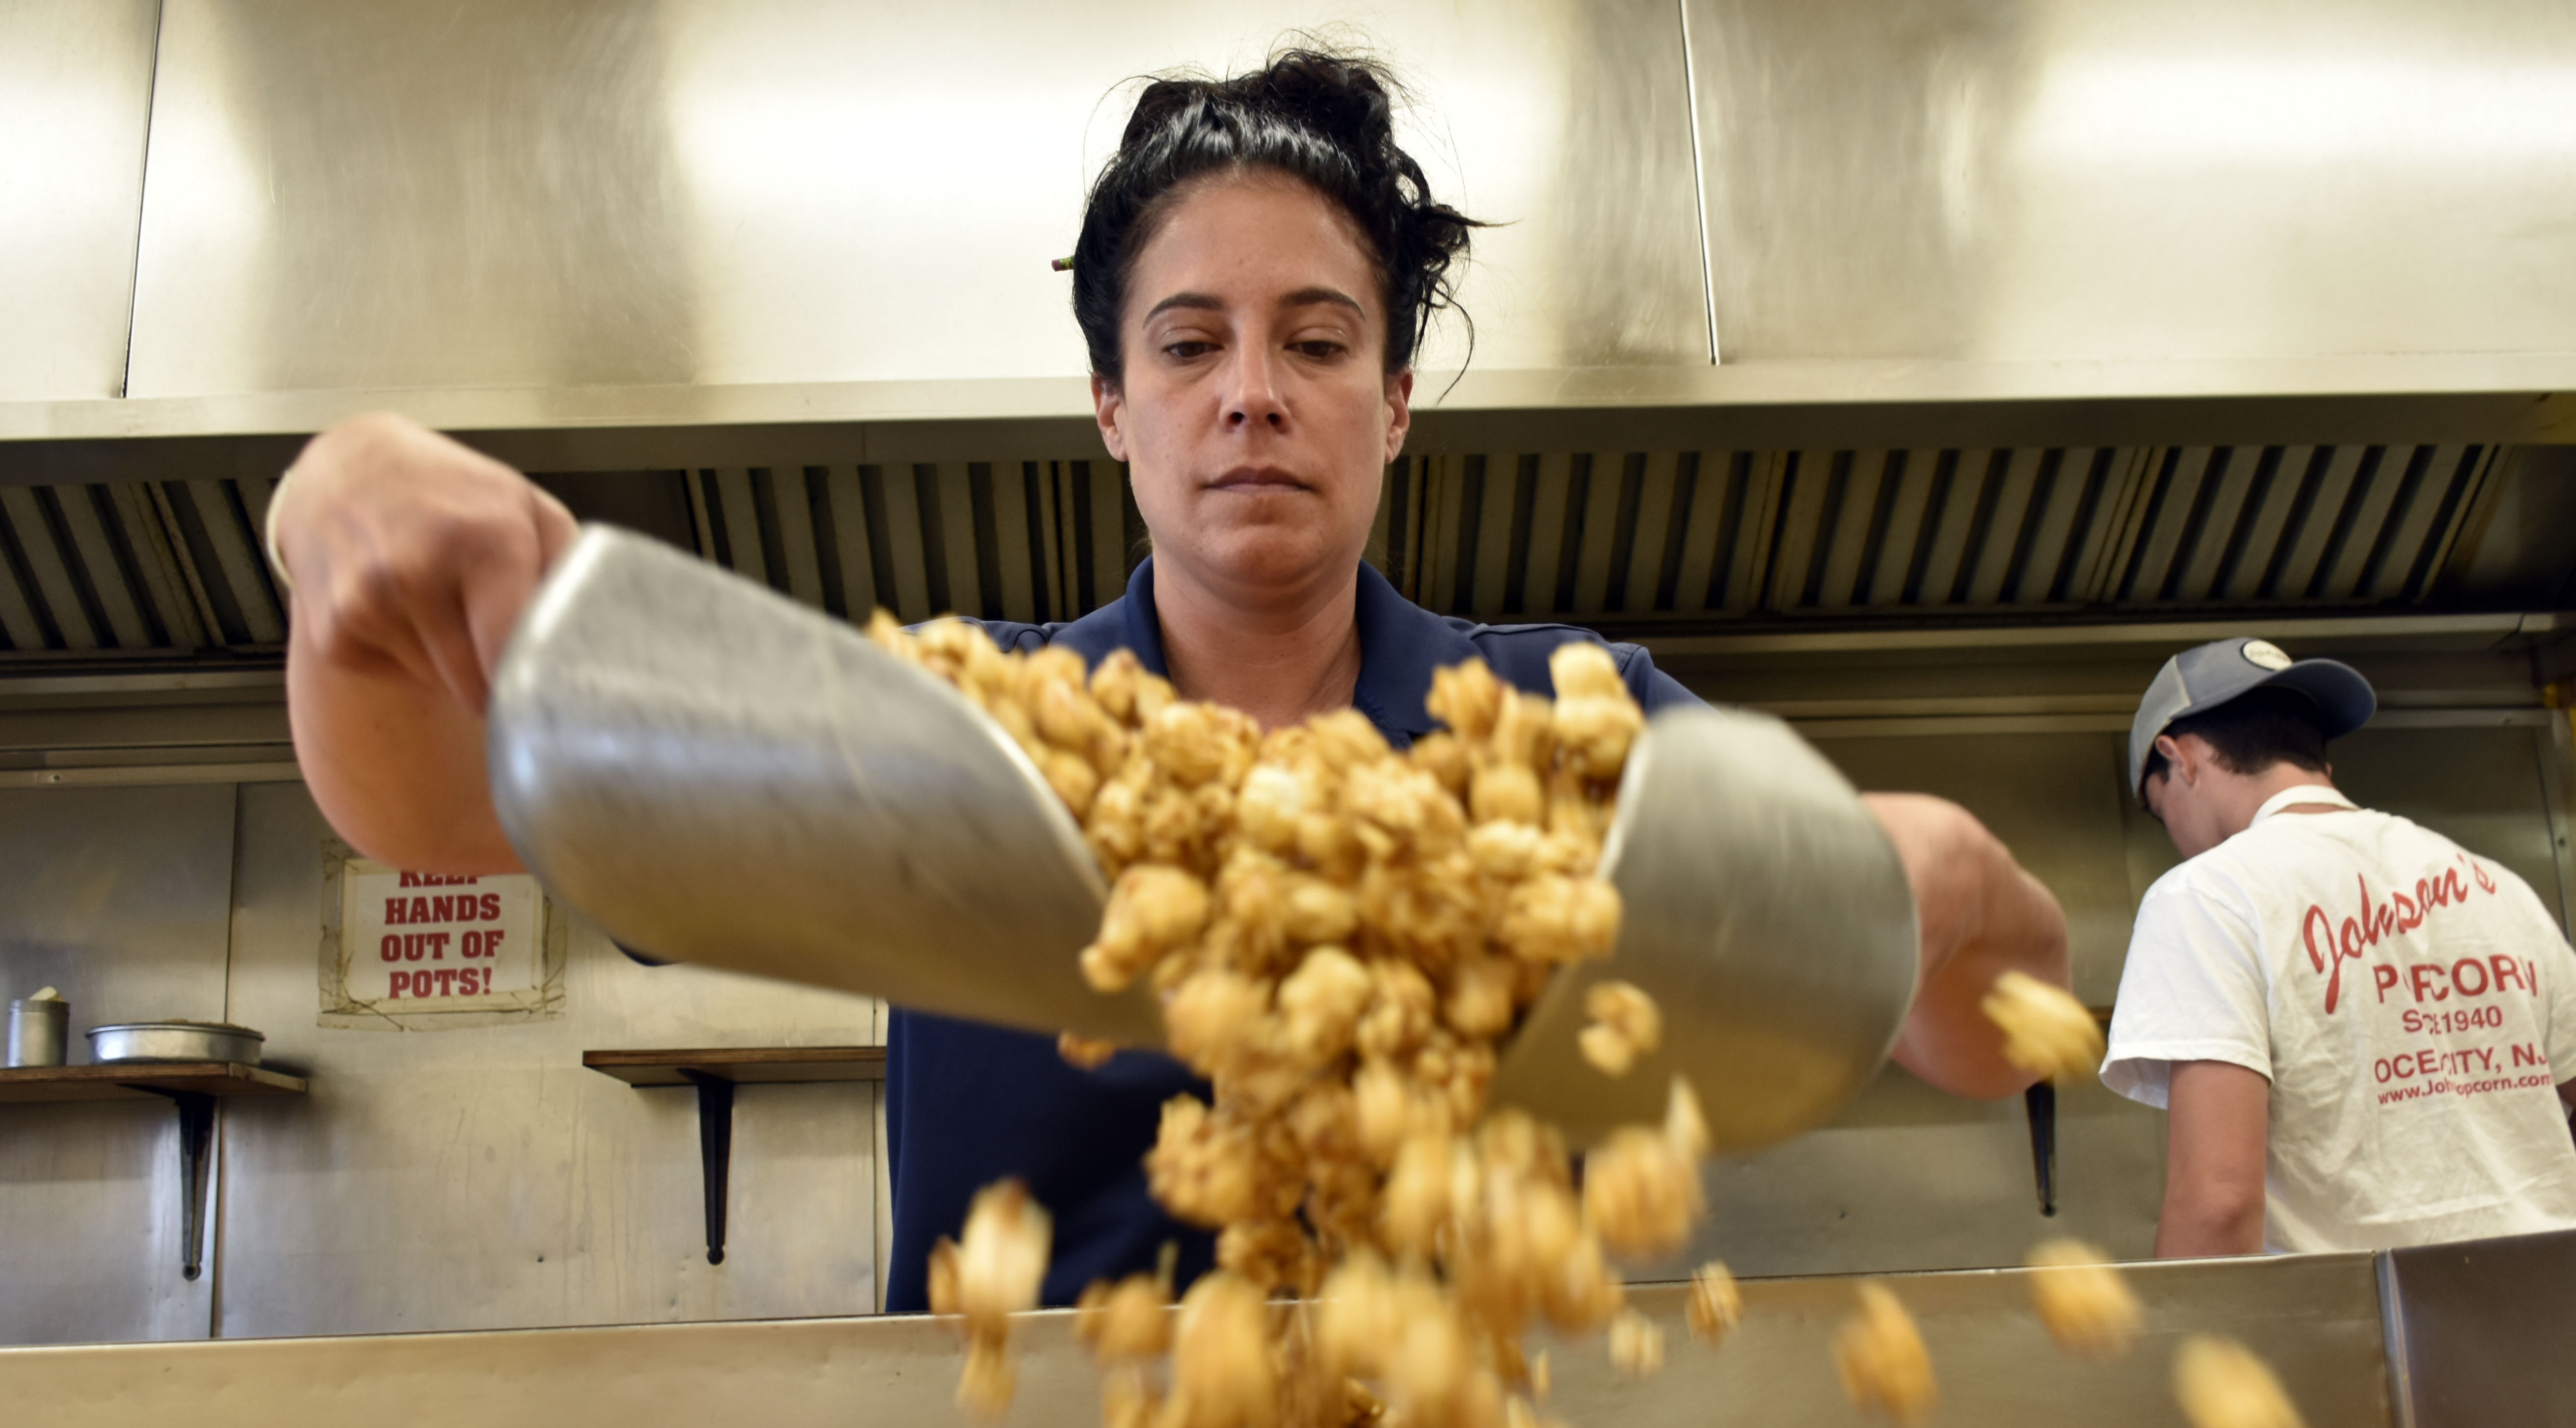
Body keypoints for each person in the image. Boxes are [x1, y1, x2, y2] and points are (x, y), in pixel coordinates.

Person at [270, 51, 2070, 1309]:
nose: (1253, 394)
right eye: (1190, 345)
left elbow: (1985, 1033)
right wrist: (341, 517)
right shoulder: (962, 744)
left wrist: (1946, 881)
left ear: (1395, 403)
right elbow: (438, 808)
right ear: (1114, 409)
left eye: (1318, 340)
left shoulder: (1570, 730)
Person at [2102, 636, 2576, 1257]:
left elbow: (2218, 1201)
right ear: (2320, 764)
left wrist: (2174, 1347)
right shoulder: (2495, 886)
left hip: (2365, 1334)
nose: (2176, 838)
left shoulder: (2207, 896)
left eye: (2159, 811)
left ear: (2179, 757)